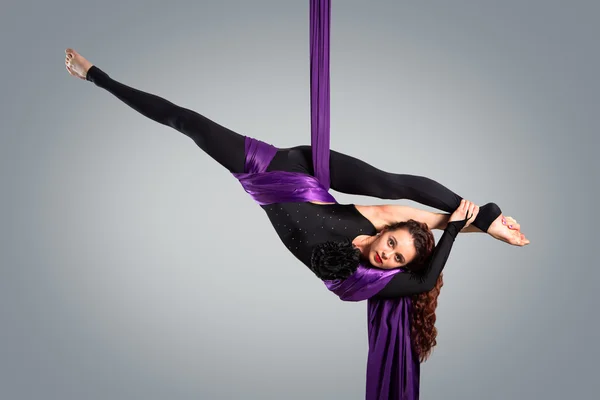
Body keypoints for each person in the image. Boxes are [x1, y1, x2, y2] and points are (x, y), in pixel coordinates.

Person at [63, 48, 528, 362]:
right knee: (390, 184)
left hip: (262, 175)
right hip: (308, 167)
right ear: (391, 233)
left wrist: (457, 235)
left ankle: (485, 218)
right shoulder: (384, 221)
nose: (389, 251)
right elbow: (416, 198)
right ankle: (97, 75)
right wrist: (484, 224)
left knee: (188, 126)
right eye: (394, 243)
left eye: (397, 256)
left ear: (395, 268)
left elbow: (424, 277)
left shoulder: (357, 280)